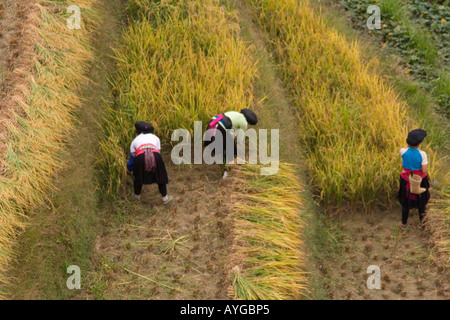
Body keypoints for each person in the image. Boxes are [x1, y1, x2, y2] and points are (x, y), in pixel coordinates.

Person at [204, 109, 258, 179]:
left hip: (213, 121)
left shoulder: (235, 113)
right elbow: (239, 140)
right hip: (221, 127)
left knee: (210, 144)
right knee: (232, 153)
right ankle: (226, 174)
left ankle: (206, 164)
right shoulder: (244, 123)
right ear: (249, 122)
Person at [127, 121, 172, 205]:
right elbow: (158, 152)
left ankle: (136, 197)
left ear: (138, 131)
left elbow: (132, 158)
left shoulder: (135, 140)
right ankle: (165, 198)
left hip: (140, 156)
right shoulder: (155, 138)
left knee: (137, 176)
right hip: (155, 154)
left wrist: (129, 168)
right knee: (160, 176)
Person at [398, 129, 430, 230]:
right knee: (421, 202)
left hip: (406, 179)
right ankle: (422, 224)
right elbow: (424, 170)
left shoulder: (402, 151)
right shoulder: (422, 154)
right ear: (419, 142)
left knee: (405, 202)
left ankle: (403, 224)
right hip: (419, 180)